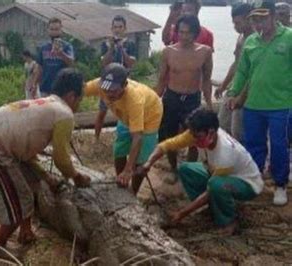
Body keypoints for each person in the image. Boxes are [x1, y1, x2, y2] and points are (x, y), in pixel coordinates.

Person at [0, 68, 90, 256]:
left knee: (27, 189)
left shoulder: (48, 104)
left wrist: (46, 177)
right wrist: (76, 176)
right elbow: (62, 160)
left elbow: (26, 154)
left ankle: (26, 232)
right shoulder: (64, 114)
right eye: (80, 100)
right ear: (72, 96)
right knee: (15, 205)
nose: (79, 105)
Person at [137, 109, 263, 236]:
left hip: (247, 183)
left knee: (216, 185)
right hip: (216, 173)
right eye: (192, 135)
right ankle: (211, 207)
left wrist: (182, 213)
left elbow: (210, 190)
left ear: (211, 133)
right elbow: (166, 145)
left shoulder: (225, 153)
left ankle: (228, 221)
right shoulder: (196, 134)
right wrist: (148, 163)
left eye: (197, 137)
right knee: (186, 169)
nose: (193, 140)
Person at [228, 1, 292, 205]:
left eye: (262, 18)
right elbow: (242, 72)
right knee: (253, 144)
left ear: (273, 16)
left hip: (282, 104)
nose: (258, 23)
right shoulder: (251, 42)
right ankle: (254, 182)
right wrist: (233, 92)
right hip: (253, 104)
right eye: (255, 18)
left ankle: (280, 185)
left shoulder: (289, 38)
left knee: (280, 146)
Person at [84, 63, 162, 195]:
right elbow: (78, 91)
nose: (108, 93)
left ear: (124, 85)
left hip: (150, 116)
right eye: (106, 89)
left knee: (140, 161)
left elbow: (137, 137)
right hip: (125, 116)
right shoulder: (99, 85)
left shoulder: (134, 99)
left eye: (113, 90)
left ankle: (133, 192)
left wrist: (128, 168)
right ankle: (121, 183)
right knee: (119, 150)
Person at [156, 15, 213, 182]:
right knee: (169, 137)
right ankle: (174, 169)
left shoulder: (205, 52)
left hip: (192, 98)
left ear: (195, 33)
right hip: (172, 97)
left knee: (195, 137)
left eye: (188, 32)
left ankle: (189, 169)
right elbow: (161, 80)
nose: (184, 36)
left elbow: (207, 79)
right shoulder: (168, 52)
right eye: (181, 32)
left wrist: (208, 103)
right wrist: (153, 100)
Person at [214, 3, 253, 142]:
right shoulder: (241, 38)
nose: (235, 26)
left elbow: (254, 72)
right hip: (234, 88)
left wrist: (241, 95)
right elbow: (236, 64)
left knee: (238, 131)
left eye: (238, 22)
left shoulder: (256, 40)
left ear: (249, 18)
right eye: (234, 23)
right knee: (221, 125)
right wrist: (224, 86)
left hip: (247, 91)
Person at [94, 15, 137, 140]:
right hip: (108, 83)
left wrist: (122, 49)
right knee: (102, 111)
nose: (117, 30)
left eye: (120, 27)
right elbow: (103, 63)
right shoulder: (105, 44)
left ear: (125, 29)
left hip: (124, 83)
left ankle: (127, 137)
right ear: (111, 28)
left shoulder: (130, 44)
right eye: (115, 27)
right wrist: (112, 47)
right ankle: (96, 138)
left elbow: (131, 63)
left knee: (127, 111)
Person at [33, 17, 74, 97]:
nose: (54, 32)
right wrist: (34, 84)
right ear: (48, 30)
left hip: (62, 89)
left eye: (56, 29)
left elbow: (71, 63)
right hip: (45, 89)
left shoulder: (67, 47)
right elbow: (39, 68)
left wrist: (61, 54)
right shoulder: (43, 48)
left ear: (61, 30)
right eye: (52, 29)